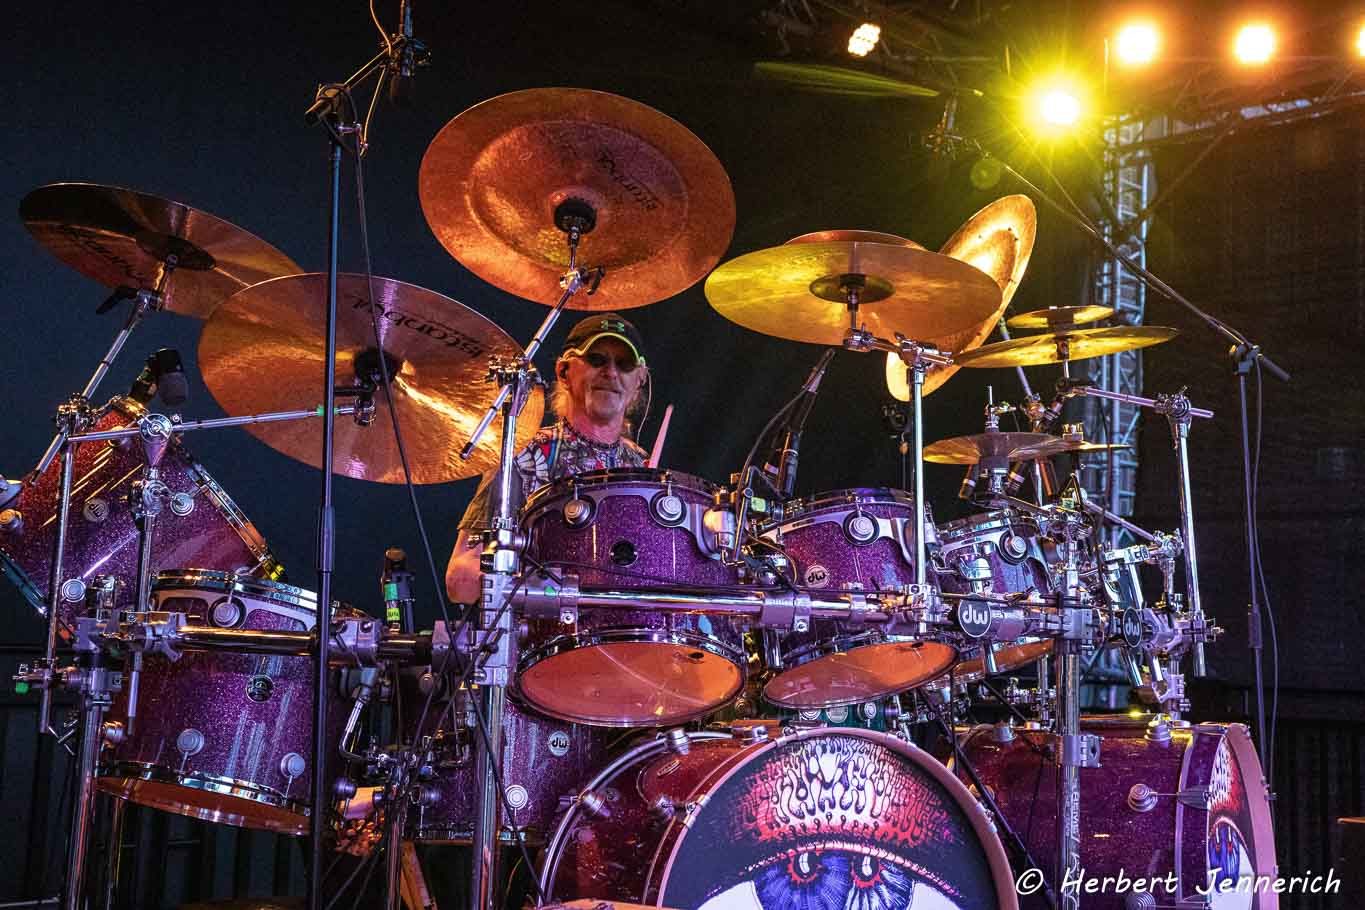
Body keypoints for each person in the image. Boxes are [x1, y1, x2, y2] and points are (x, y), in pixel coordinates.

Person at [445, 312, 650, 603]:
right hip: (541, 628)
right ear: (564, 372)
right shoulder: (521, 453)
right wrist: (548, 590)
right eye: (596, 359)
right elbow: (460, 579)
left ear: (639, 380)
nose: (611, 372)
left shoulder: (641, 467)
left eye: (624, 364)